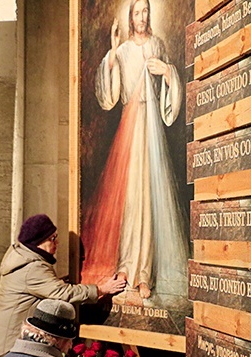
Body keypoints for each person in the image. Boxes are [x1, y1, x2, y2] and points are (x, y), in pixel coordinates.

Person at [81, 0, 189, 302]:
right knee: (129, 199)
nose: (141, 17)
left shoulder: (157, 44)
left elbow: (171, 88)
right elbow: (110, 97)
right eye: (137, 12)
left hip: (152, 131)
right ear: (130, 17)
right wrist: (113, 55)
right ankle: (127, 266)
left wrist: (167, 71)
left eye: (146, 12)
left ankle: (145, 273)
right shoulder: (125, 50)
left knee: (150, 199)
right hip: (130, 128)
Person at [0, 214, 126, 357]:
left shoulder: (24, 257)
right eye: (52, 238)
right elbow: (62, 293)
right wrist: (101, 289)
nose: (57, 242)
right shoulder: (33, 267)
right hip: (11, 336)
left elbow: (45, 287)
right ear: (39, 242)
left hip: (5, 331)